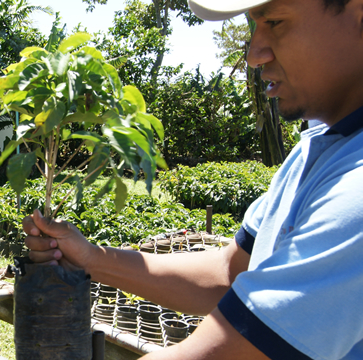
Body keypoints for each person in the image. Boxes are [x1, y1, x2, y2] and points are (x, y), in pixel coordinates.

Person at [23, 0, 363, 358]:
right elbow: (228, 273)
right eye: (254, 27)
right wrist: (91, 258)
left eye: (276, 22)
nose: (254, 54)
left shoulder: (355, 189)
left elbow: (229, 353)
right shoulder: (319, 149)